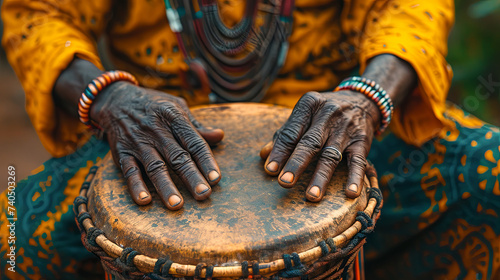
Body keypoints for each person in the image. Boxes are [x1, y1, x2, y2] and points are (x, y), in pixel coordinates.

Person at [1, 0, 499, 279]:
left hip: (333, 124)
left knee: (490, 178)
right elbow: (37, 13)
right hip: (154, 130)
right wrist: (110, 101)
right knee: (11, 239)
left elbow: (409, 6)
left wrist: (369, 97)